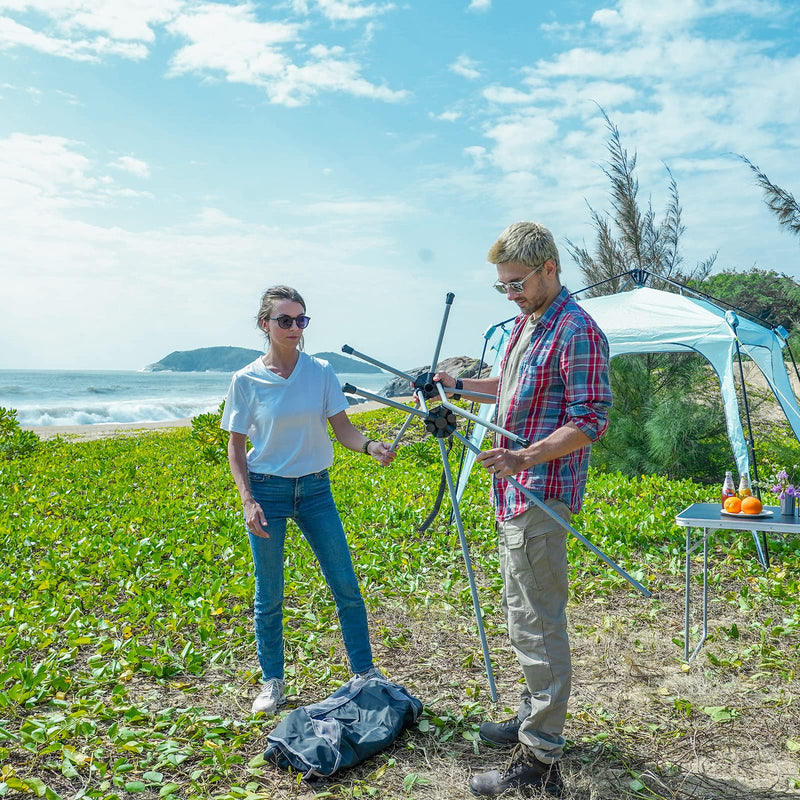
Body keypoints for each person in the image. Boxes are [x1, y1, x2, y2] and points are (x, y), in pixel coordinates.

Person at [435, 222, 611, 797]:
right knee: (520, 615)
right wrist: (457, 385)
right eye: (502, 286)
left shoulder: (576, 330)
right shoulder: (526, 324)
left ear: (548, 270)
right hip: (513, 494)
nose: (509, 293)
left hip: (541, 491)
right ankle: (533, 715)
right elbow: (507, 388)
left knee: (539, 622)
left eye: (516, 284)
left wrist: (526, 456)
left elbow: (591, 420)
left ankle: (540, 761)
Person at [222, 285, 395, 715]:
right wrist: (248, 500)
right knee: (270, 594)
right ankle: (273, 680)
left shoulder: (321, 372)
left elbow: (344, 430)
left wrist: (370, 446)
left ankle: (364, 672)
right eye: (285, 320)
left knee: (346, 585)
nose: (295, 328)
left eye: (302, 320)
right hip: (268, 491)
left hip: (316, 490)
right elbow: (236, 447)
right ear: (265, 324)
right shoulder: (246, 380)